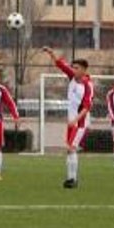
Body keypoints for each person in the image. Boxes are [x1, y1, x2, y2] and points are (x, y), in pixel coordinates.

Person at [41, 46, 93, 189]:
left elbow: (87, 107)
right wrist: (51, 52)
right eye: (73, 67)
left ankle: (73, 179)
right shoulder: (72, 77)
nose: (73, 70)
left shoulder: (88, 85)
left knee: (71, 148)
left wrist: (75, 120)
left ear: (84, 70)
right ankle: (70, 178)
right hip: (71, 122)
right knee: (69, 150)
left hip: (80, 123)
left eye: (76, 68)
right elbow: (60, 64)